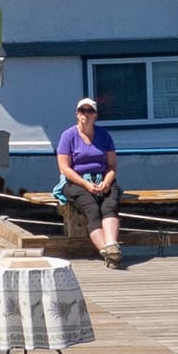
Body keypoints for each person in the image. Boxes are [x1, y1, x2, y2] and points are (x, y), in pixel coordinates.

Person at [55, 96, 123, 266]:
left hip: (102, 178)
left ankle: (112, 246)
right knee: (92, 208)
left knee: (109, 206)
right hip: (76, 181)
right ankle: (107, 252)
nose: (86, 114)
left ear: (95, 115)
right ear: (77, 114)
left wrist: (106, 182)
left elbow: (112, 165)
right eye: (82, 111)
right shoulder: (68, 136)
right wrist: (85, 184)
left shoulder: (104, 135)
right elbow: (64, 168)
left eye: (90, 111)